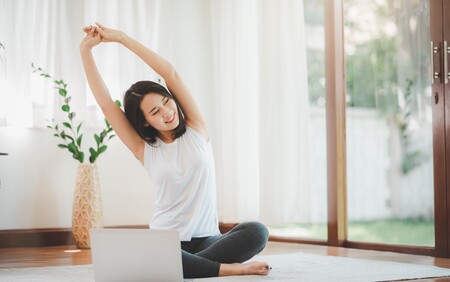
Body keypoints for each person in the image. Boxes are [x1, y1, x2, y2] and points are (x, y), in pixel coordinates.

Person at [79, 22, 271, 279]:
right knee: (153, 253)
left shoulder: (196, 129)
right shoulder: (144, 149)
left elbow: (171, 73)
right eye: (155, 111)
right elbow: (106, 105)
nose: (168, 112)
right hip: (166, 241)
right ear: (145, 121)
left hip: (208, 240)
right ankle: (221, 269)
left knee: (257, 232)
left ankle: (171, 268)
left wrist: (122, 38)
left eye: (166, 102)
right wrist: (86, 52)